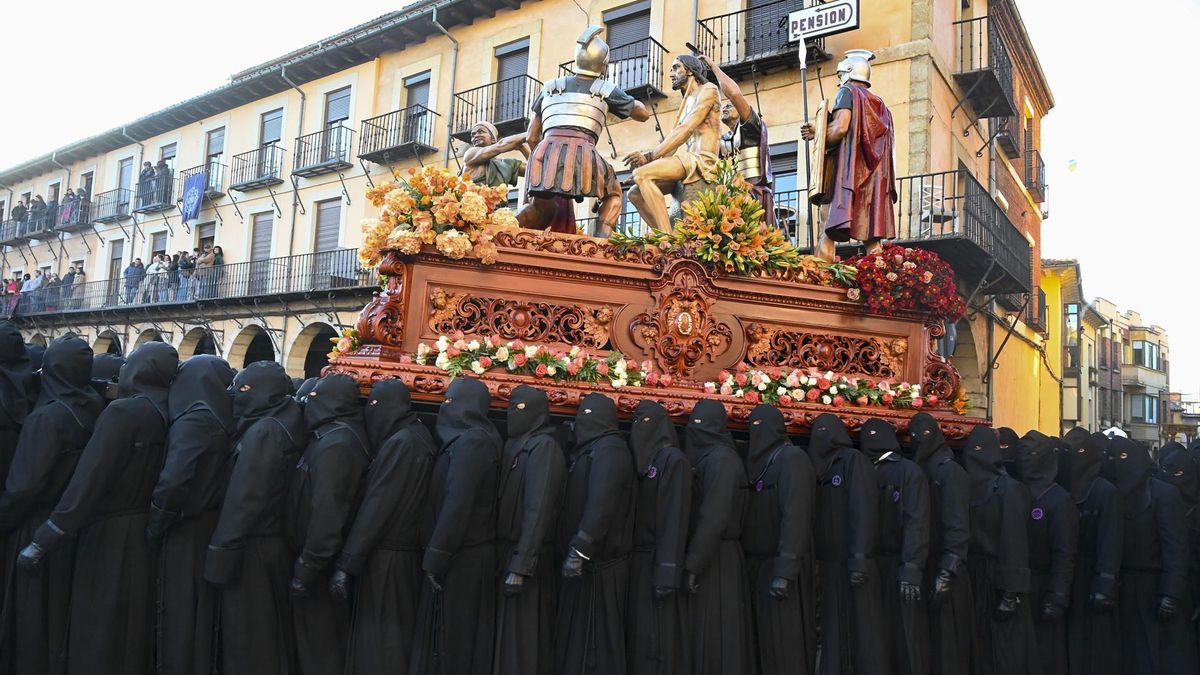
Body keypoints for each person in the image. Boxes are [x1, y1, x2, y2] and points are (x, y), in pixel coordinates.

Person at [18, 341, 178, 675]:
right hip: (144, 532)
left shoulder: (123, 412)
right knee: (132, 630)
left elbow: (90, 480)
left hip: (107, 533)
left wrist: (46, 536)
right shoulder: (170, 411)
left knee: (98, 630)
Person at [0, 335, 100, 675]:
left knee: (30, 620)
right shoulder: (93, 405)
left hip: (34, 527)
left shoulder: (47, 418)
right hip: (70, 527)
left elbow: (23, 488)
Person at [205, 361, 308, 675]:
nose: (237, 395)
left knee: (250, 640)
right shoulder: (284, 420)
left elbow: (245, 500)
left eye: (245, 389)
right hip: (272, 546)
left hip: (254, 551)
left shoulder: (265, 431)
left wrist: (219, 557)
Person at [330, 379, 437, 674]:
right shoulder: (415, 436)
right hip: (399, 556)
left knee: (382, 641)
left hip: (387, 560)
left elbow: (378, 506)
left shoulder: (402, 443)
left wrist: (347, 562)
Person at [148, 355, 236, 675]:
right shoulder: (225, 417)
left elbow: (174, 481)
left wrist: (156, 524)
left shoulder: (195, 419)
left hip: (185, 527)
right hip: (210, 525)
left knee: (180, 612)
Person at [518, 26, 651, 235]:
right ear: (603, 63)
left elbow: (531, 136)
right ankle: (600, 244)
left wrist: (546, 159)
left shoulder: (550, 87)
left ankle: (504, 230)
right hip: (583, 151)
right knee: (614, 194)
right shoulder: (605, 89)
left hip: (545, 151)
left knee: (540, 208)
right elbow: (643, 114)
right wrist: (620, 101)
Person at [410, 377, 500, 675]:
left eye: (451, 401)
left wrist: (436, 556)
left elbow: (458, 502)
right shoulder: (468, 439)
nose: (446, 407)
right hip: (460, 555)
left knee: (454, 640)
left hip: (462, 559)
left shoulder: (473, 442)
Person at [287, 373, 371, 675]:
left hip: (319, 567)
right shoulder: (332, 435)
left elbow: (328, 514)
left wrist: (307, 567)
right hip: (315, 562)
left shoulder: (338, 444)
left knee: (320, 650)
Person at [555, 392, 636, 674]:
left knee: (597, 645)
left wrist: (580, 548)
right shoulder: (592, 449)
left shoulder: (610, 450)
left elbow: (602, 502)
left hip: (601, 566)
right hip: (587, 568)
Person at [807, 412, 890, 675]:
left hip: (854, 566)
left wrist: (859, 557)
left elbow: (863, 509)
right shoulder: (818, 466)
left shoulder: (853, 461)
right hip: (827, 567)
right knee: (831, 634)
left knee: (860, 634)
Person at [1108, 435, 1197, 673]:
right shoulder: (1113, 494)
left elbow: (1175, 547)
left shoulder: (1163, 494)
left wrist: (1171, 592)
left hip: (1155, 585)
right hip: (1124, 585)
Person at [493, 385, 566, 675]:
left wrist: (521, 565)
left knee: (522, 643)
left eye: (520, 408)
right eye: (511, 407)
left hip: (528, 561)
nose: (513, 413)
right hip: (508, 553)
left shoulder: (544, 447)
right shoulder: (518, 444)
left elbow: (539, 508)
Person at [800, 49, 897, 262]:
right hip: (875, 180)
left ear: (849, 72)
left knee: (826, 222)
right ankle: (878, 279)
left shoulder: (847, 92)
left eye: (841, 74)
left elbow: (841, 127)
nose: (839, 79)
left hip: (849, 173)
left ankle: (821, 276)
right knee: (872, 236)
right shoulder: (883, 107)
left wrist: (818, 132)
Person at [742, 404, 817, 675]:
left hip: (782, 569)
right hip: (759, 567)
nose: (756, 432)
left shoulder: (793, 459)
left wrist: (785, 570)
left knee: (784, 647)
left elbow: (795, 516)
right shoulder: (761, 462)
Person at [962, 424, 1039, 675]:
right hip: (974, 576)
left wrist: (1011, 591)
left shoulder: (1008, 489)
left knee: (1004, 649)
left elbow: (1014, 540)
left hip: (999, 578)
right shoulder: (965, 485)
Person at [860, 418, 931, 675]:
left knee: (904, 637)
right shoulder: (867, 469)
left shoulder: (908, 472)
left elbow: (917, 522)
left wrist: (911, 569)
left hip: (899, 565)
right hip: (874, 565)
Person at [626, 400, 691, 675]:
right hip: (639, 561)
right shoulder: (645, 462)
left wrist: (667, 571)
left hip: (658, 561)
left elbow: (673, 518)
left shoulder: (672, 460)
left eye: (646, 422)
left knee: (657, 639)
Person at [903, 413, 971, 675]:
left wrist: (947, 571)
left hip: (946, 571)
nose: (919, 440)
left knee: (947, 645)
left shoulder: (951, 472)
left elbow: (958, 525)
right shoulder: (921, 469)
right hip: (926, 564)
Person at [624, 54, 721, 234]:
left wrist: (649, 157)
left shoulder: (709, 90)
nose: (672, 73)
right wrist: (653, 164)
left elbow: (685, 129)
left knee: (642, 175)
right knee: (634, 193)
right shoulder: (686, 101)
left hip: (702, 161)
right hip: (686, 161)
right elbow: (673, 143)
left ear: (690, 71)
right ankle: (663, 232)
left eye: (676, 68)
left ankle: (668, 239)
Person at [1011, 431, 1078, 675]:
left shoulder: (1059, 500)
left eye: (1032, 454)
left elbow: (1065, 552)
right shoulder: (1015, 490)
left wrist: (1057, 595)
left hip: (1044, 585)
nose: (1026, 459)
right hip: (1018, 584)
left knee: (1046, 653)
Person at [698, 51, 775, 226]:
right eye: (723, 105)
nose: (725, 107)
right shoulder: (721, 140)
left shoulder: (750, 127)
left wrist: (713, 67)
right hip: (727, 200)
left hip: (753, 196)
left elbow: (734, 93)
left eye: (729, 105)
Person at [1155, 442, 1200, 664]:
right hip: (1165, 587)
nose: (1172, 478)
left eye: (1178, 473)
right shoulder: (1157, 502)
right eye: (1165, 472)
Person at [460, 121, 528, 188]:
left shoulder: (506, 164)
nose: (476, 136)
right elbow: (500, 145)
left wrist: (522, 148)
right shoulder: (470, 154)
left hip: (499, 199)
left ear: (493, 139)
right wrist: (529, 134)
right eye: (473, 135)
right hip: (473, 198)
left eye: (481, 132)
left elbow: (533, 169)